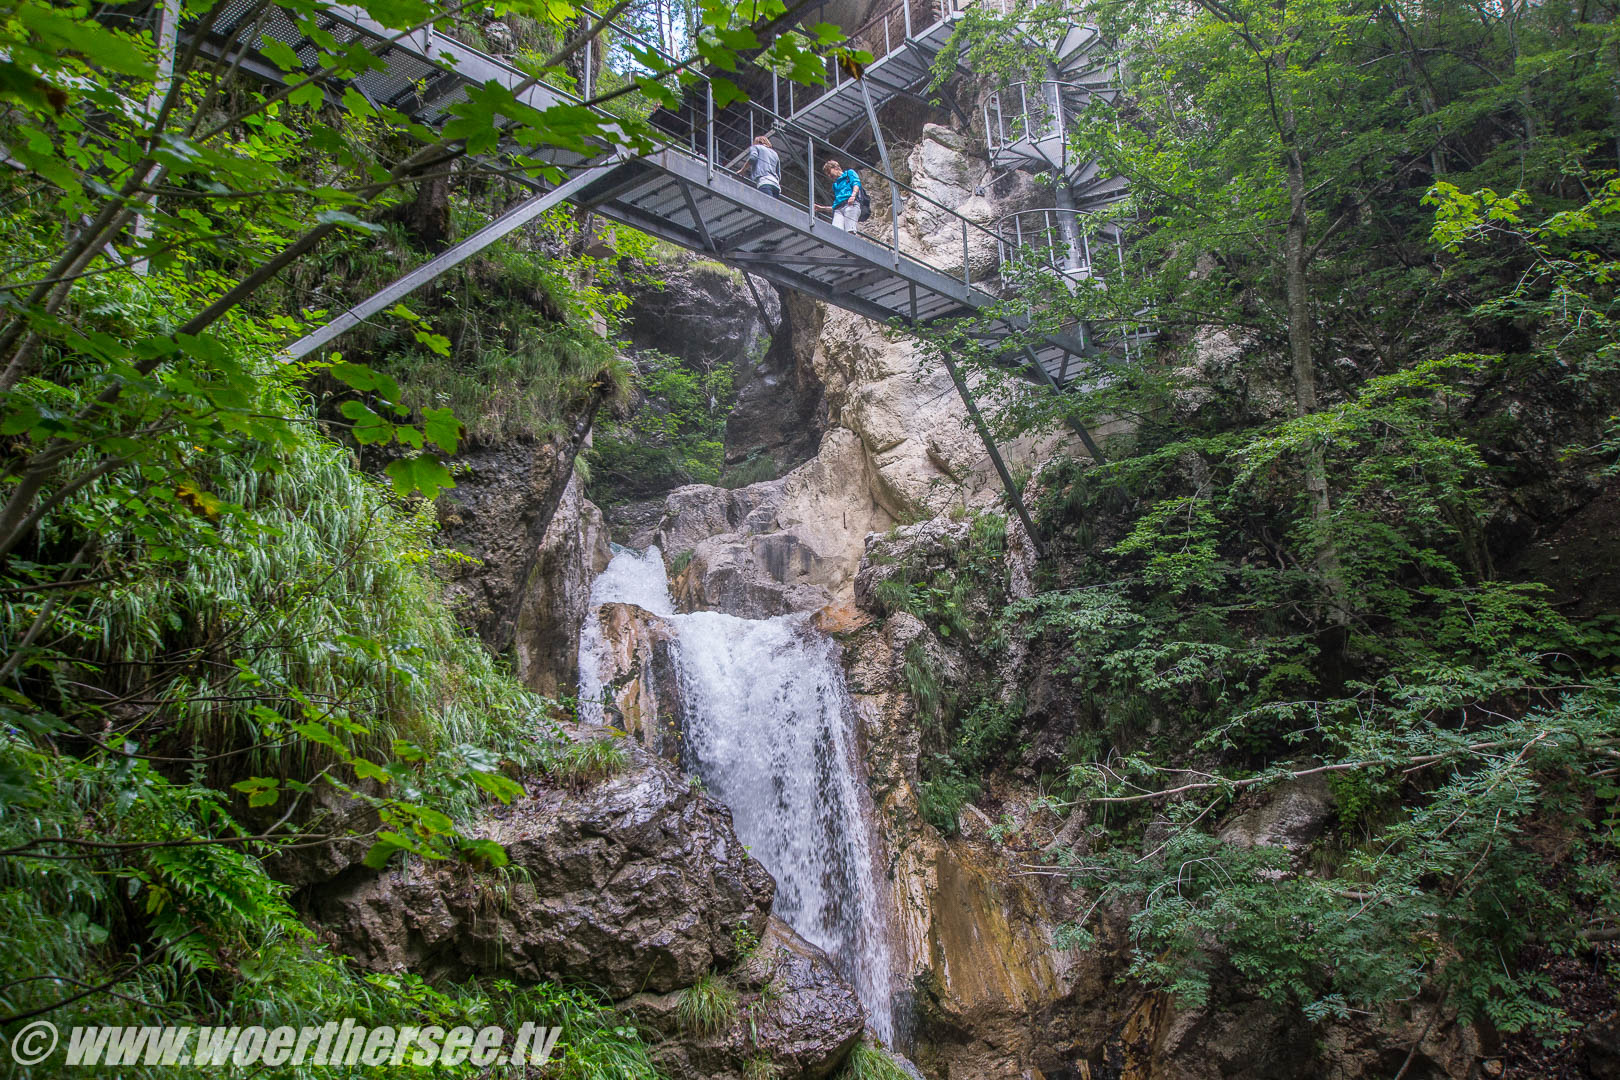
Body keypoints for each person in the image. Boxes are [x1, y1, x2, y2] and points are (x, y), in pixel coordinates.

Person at [815, 158, 861, 232]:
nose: (829, 176)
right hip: (838, 209)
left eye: (829, 172)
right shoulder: (835, 185)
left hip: (850, 204)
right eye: (827, 174)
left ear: (836, 168)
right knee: (836, 231)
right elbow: (835, 205)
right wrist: (822, 208)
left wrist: (853, 195)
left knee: (850, 231)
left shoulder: (849, 173)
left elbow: (856, 183)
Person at [736, 135, 781, 199]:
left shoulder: (756, 147)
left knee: (766, 206)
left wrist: (742, 170)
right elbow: (778, 174)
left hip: (764, 182)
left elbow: (752, 158)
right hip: (776, 186)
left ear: (757, 142)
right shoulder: (775, 154)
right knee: (771, 208)